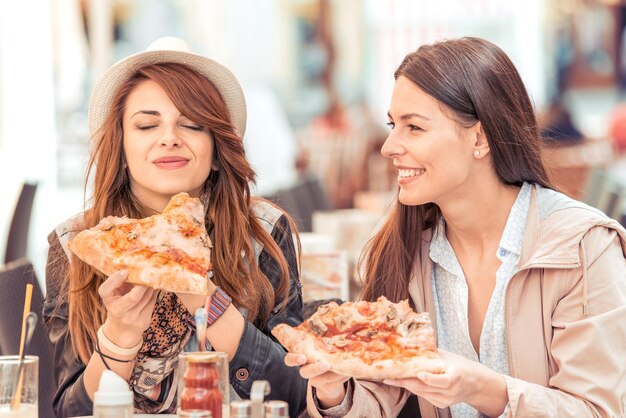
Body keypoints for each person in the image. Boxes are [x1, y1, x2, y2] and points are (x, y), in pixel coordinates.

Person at [285, 37, 626, 418]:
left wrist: (481, 388)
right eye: (392, 124)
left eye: (413, 127)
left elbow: (597, 410)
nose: (389, 146)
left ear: (479, 137)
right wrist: (335, 393)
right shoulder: (409, 249)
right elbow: (377, 395)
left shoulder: (584, 247)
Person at [43, 37, 307, 417]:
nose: (169, 137)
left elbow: (296, 395)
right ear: (120, 149)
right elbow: (70, 413)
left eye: (192, 124)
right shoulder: (77, 244)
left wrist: (207, 301)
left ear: (217, 152)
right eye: (147, 125)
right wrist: (119, 336)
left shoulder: (263, 234)